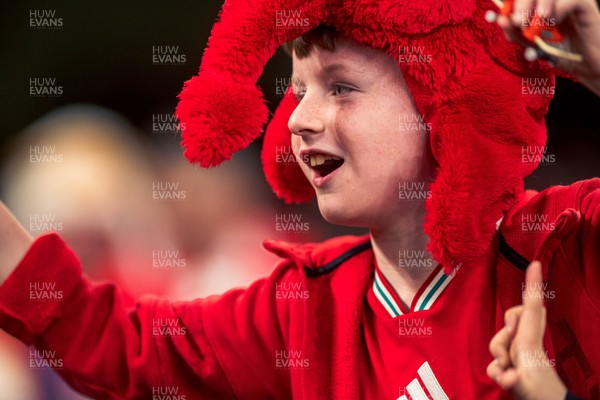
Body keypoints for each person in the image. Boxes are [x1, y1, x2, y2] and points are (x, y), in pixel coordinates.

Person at [1, 0, 599, 399]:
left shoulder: (569, 244)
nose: (300, 119)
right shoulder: (301, 312)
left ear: (443, 100)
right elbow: (119, 342)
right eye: (297, 89)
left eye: (341, 87)